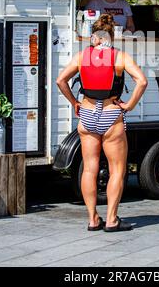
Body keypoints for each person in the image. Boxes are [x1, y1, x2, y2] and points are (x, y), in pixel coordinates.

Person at [56, 14, 147, 232]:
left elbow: (61, 80)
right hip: (110, 113)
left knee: (89, 169)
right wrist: (131, 105)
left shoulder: (81, 56)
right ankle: (112, 219)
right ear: (111, 36)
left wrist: (74, 102)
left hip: (87, 113)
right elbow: (142, 81)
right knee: (117, 170)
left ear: (93, 36)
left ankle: (92, 219)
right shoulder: (119, 56)